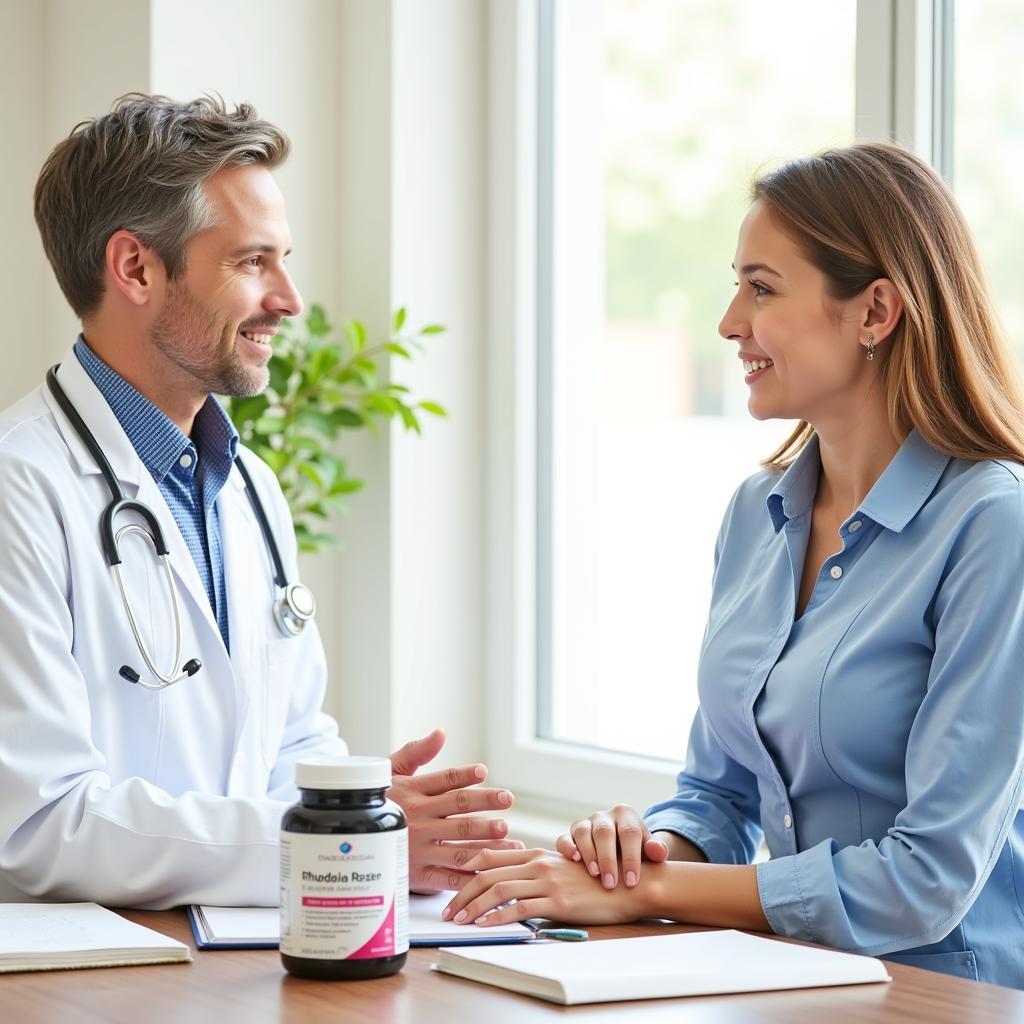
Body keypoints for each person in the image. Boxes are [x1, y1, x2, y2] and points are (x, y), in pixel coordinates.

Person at [443, 142, 1024, 988]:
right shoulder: (760, 514)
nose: (727, 322)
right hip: (788, 978)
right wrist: (641, 850)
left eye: (761, 287)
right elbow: (720, 792)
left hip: (945, 993)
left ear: (876, 312)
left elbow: (925, 882)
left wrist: (647, 891)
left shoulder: (993, 525)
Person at [0, 94, 520, 908]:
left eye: (284, 259)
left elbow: (284, 739)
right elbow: (36, 822)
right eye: (252, 262)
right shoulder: (18, 488)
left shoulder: (246, 485)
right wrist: (326, 840)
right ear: (135, 267)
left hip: (239, 961)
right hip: (89, 981)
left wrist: (357, 804)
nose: (290, 299)